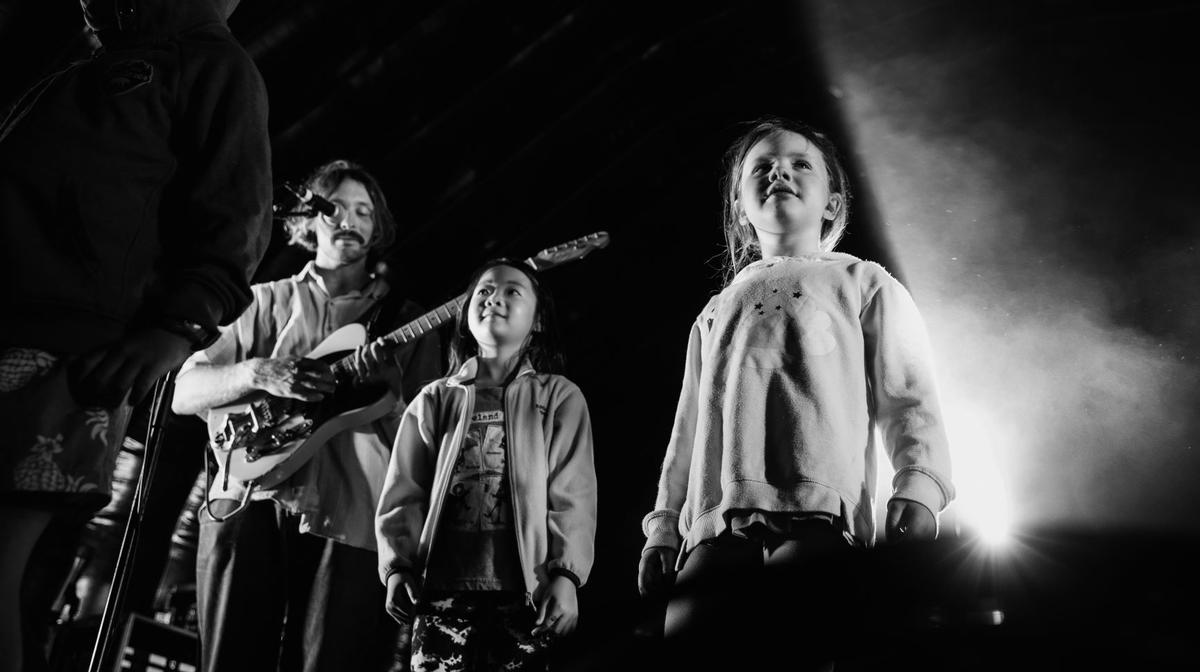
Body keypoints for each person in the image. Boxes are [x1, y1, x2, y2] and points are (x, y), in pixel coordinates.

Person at [0, 0, 272, 669]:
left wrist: (173, 331)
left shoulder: (213, 70)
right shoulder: (68, 72)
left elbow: (233, 220)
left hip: (69, 355)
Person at [637, 117, 954, 663]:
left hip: (817, 515)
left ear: (832, 202)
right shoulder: (714, 312)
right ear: (741, 207)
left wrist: (920, 482)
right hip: (714, 526)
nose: (778, 171)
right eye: (761, 167)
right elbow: (686, 431)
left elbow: (910, 396)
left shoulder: (864, 282)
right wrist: (664, 527)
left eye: (800, 163)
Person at [171, 160, 443, 672]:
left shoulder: (408, 322)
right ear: (307, 218)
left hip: (356, 518)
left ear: (376, 226)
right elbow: (183, 391)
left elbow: (429, 440)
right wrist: (257, 372)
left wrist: (389, 395)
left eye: (364, 211)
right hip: (248, 500)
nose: (349, 220)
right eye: (335, 207)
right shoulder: (259, 301)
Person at [376, 259, 597, 672]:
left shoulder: (559, 397)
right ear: (465, 316)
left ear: (538, 322)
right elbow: (404, 489)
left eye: (513, 290)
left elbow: (573, 495)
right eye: (484, 291)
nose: (495, 297)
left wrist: (566, 576)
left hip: (526, 595)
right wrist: (397, 567)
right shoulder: (434, 400)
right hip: (439, 593)